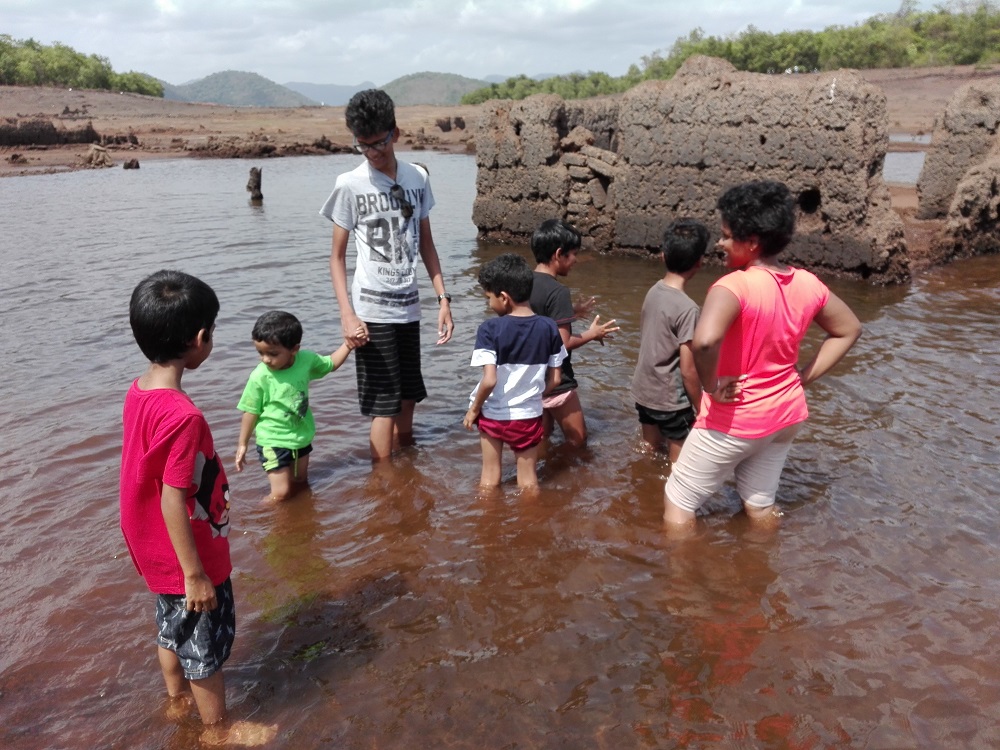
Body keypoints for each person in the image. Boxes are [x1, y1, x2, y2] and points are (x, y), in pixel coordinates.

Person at [120, 270, 274, 744]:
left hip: (150, 542)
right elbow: (173, 496)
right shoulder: (184, 416)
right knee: (203, 643)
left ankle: (175, 700)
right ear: (201, 338)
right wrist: (195, 573)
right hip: (185, 551)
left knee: (171, 628)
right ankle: (217, 730)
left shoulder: (139, 390)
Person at [663, 180, 862, 527]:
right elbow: (849, 329)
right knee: (759, 503)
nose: (720, 244)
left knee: (679, 500)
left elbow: (705, 342)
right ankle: (762, 574)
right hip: (785, 415)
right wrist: (803, 378)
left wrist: (711, 387)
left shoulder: (733, 286)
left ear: (751, 242)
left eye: (726, 236)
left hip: (737, 418)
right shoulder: (807, 282)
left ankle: (682, 582)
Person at [319, 89, 454, 461]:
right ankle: (382, 480)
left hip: (408, 306)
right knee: (383, 402)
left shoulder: (418, 177)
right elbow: (336, 257)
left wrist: (443, 299)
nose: (373, 154)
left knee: (409, 392)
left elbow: (427, 244)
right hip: (371, 310)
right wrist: (347, 314)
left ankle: (407, 463)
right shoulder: (350, 184)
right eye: (363, 147)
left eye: (378, 144)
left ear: (395, 133)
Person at [463, 253, 567, 490]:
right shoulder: (549, 327)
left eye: (489, 297)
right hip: (528, 416)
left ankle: (488, 523)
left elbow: (489, 381)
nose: (489, 304)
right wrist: (531, 397)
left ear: (504, 297)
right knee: (529, 480)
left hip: (492, 415)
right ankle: (531, 523)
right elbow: (556, 379)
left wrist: (474, 409)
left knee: (489, 477)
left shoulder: (489, 329)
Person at [235, 310, 359, 502]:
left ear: (294, 349)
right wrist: (243, 444)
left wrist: (348, 345)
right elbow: (251, 411)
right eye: (260, 353)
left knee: (301, 482)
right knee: (281, 492)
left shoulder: (306, 360)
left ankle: (298, 520)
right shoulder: (260, 376)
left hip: (301, 436)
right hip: (272, 440)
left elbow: (331, 363)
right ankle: (256, 519)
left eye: (272, 354)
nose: (265, 359)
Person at [529, 219, 619, 447]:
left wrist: (571, 314)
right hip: (557, 378)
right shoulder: (558, 291)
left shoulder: (524, 282)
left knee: (542, 438)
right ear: (559, 254)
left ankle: (541, 476)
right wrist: (593, 333)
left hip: (531, 375)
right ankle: (572, 478)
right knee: (578, 440)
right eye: (573, 254)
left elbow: (538, 321)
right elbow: (562, 342)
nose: (575, 261)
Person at [631, 218, 709, 461]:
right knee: (680, 466)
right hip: (671, 401)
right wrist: (701, 406)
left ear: (663, 256)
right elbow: (688, 370)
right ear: (699, 262)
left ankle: (644, 488)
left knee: (649, 450)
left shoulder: (653, 291)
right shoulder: (688, 309)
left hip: (643, 391)